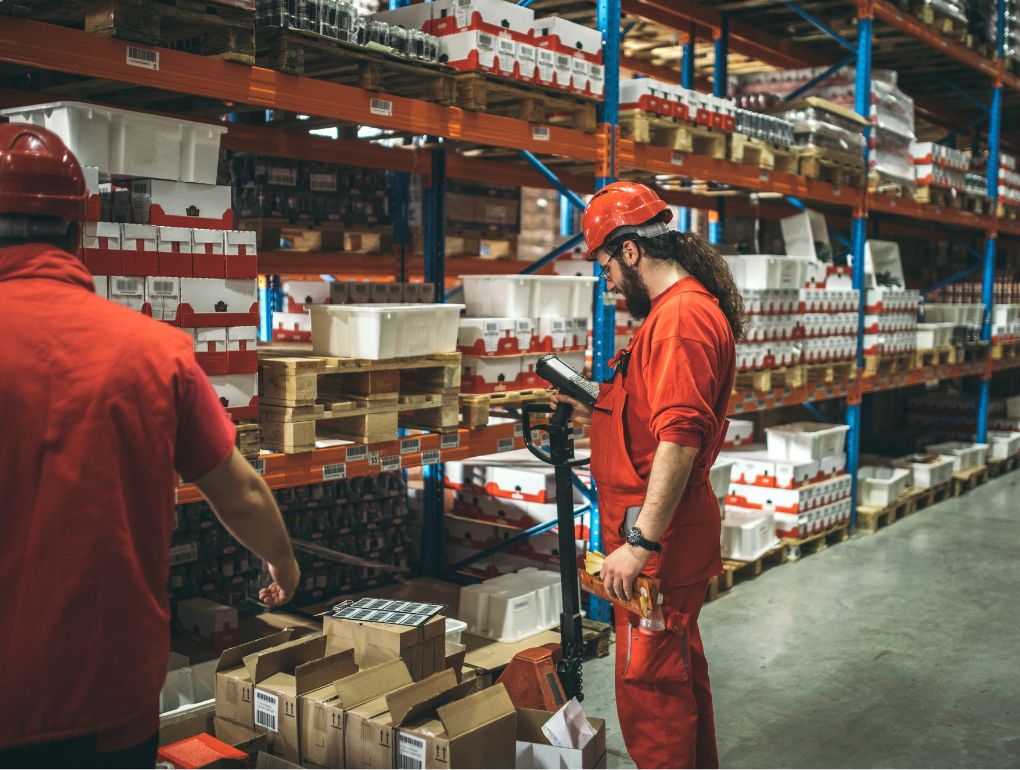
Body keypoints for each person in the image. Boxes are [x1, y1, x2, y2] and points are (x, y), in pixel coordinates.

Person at [0, 124, 300, 767]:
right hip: (109, 701)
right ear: (80, 233)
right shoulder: (153, 352)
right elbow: (242, 491)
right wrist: (284, 563)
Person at [553, 182, 744, 769]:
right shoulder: (675, 312)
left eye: (605, 264)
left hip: (658, 541)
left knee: (651, 693)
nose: (606, 279)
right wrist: (607, 409)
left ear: (631, 251)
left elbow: (679, 440)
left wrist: (638, 544)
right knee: (677, 674)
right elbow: (657, 416)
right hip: (663, 534)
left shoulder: (681, 320)